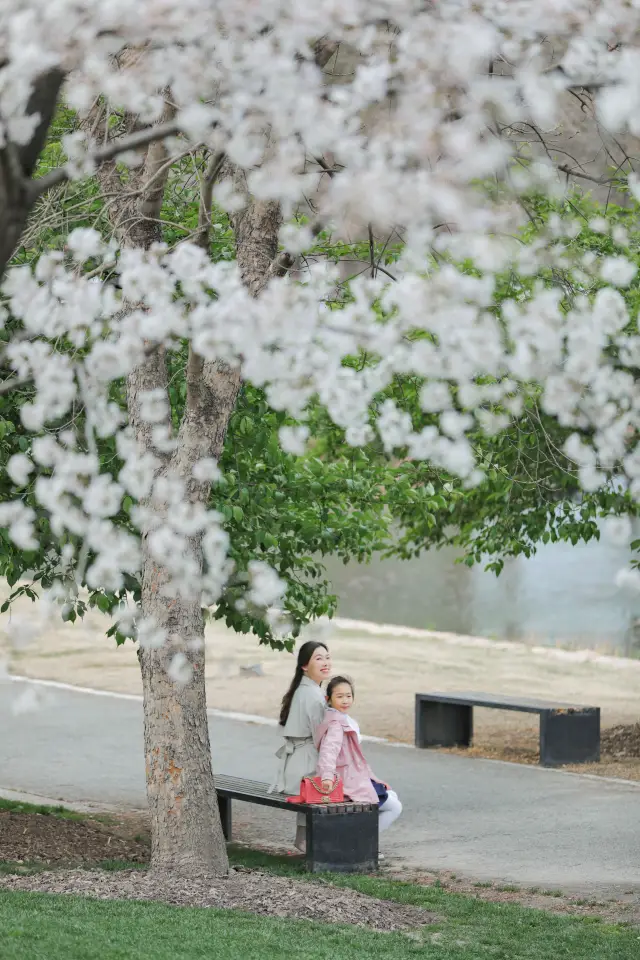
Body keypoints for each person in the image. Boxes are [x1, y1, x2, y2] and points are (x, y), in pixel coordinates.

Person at [315, 675, 402, 839]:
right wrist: (326, 776)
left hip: (355, 777)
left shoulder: (346, 720)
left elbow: (357, 759)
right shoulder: (336, 724)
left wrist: (375, 779)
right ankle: (361, 843)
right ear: (329, 699)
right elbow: (329, 751)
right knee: (394, 807)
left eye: (348, 696)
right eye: (339, 696)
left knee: (391, 795)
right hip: (347, 781)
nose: (345, 700)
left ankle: (361, 842)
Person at [271, 640, 331, 851]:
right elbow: (321, 739)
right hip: (304, 766)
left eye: (327, 657)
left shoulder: (303, 689)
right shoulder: (313, 696)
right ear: (305, 665)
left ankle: (303, 839)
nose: (325, 662)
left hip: (295, 765)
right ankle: (312, 841)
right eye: (318, 658)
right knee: (336, 781)